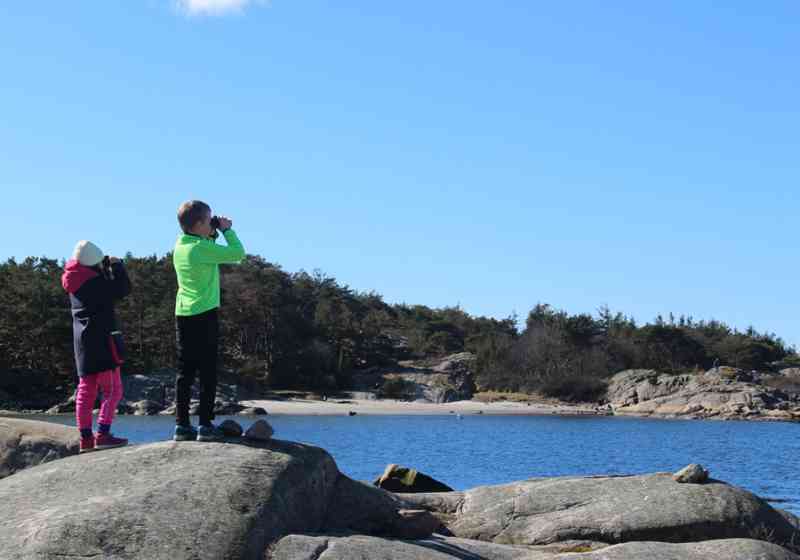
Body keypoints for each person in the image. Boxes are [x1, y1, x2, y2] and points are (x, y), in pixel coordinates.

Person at [173, 200, 245, 442]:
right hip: (204, 314)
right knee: (207, 372)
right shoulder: (201, 249)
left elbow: (204, 244)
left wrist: (211, 232)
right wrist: (227, 230)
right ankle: (205, 424)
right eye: (209, 219)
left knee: (185, 372)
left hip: (183, 313)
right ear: (200, 223)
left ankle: (182, 425)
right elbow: (237, 253)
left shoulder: (182, 245)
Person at [61, 241, 131, 453]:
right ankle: (103, 434)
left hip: (82, 345)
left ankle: (86, 439)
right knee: (113, 391)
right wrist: (117, 267)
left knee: (86, 391)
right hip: (103, 342)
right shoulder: (95, 282)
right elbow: (122, 289)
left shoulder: (73, 279)